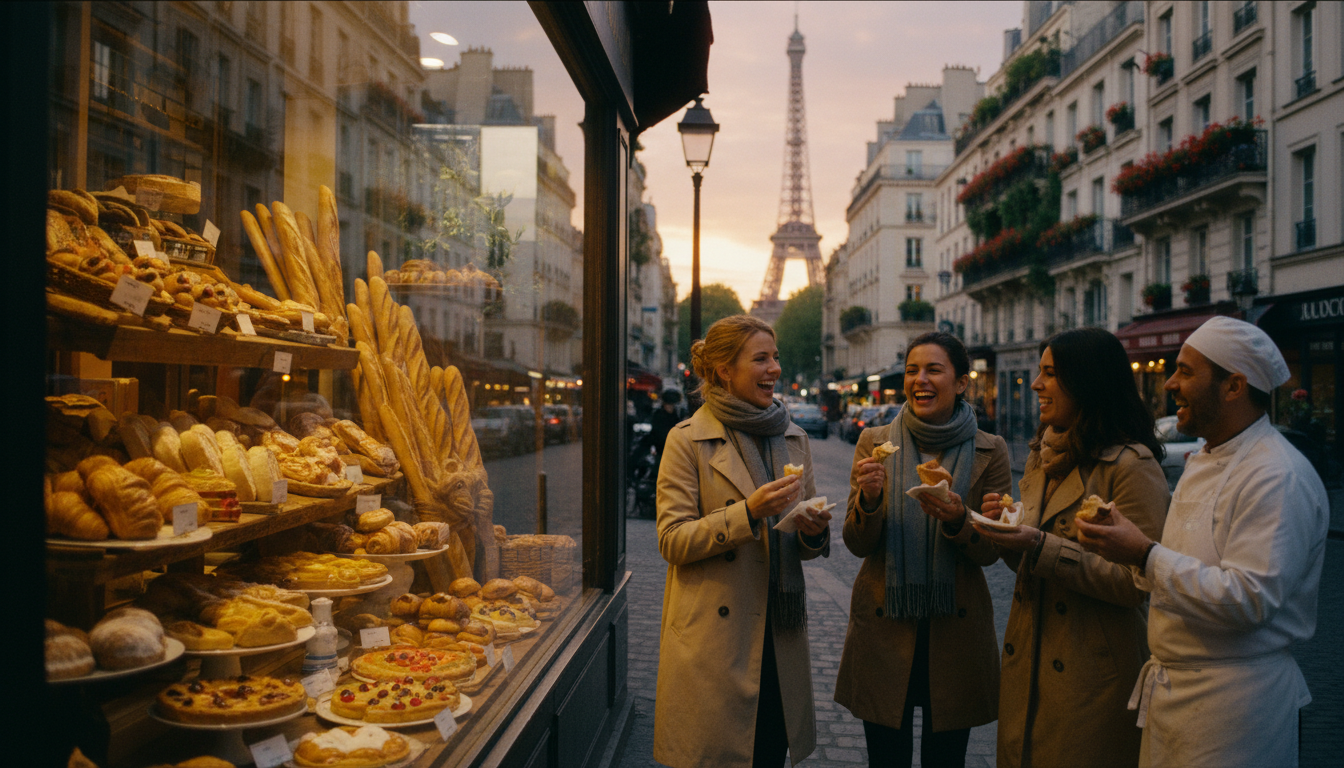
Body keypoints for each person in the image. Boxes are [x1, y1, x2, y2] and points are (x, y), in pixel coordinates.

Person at [1076, 316, 1328, 768]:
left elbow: (1251, 598)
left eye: (1187, 372)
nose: (1171, 383)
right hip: (1180, 698)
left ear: (1233, 386)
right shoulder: (1207, 457)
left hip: (1234, 709)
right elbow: (1190, 559)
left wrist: (1142, 553)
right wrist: (1127, 542)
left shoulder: (1274, 475)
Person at [971, 328, 1170, 767]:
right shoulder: (1045, 456)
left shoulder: (1131, 466)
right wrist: (1002, 531)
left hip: (1091, 680)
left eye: (1049, 374)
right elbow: (1030, 556)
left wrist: (1039, 544)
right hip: (1029, 666)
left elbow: (1137, 581)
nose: (1037, 385)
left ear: (1086, 382)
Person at [653, 315, 831, 767]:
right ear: (723, 370)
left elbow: (801, 535)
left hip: (779, 636)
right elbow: (672, 540)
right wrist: (747, 513)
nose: (774, 368)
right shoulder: (687, 440)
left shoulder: (794, 438)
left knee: (768, 753)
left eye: (775, 357)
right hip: (716, 642)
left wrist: (814, 530)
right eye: (760, 359)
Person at [835, 331, 1010, 768]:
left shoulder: (991, 451)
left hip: (955, 631)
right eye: (913, 370)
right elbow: (857, 544)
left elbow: (993, 552)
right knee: (886, 760)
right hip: (885, 624)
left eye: (934, 369)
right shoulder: (874, 442)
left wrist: (958, 519)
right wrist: (870, 500)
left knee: (946, 761)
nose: (920, 380)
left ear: (961, 381)